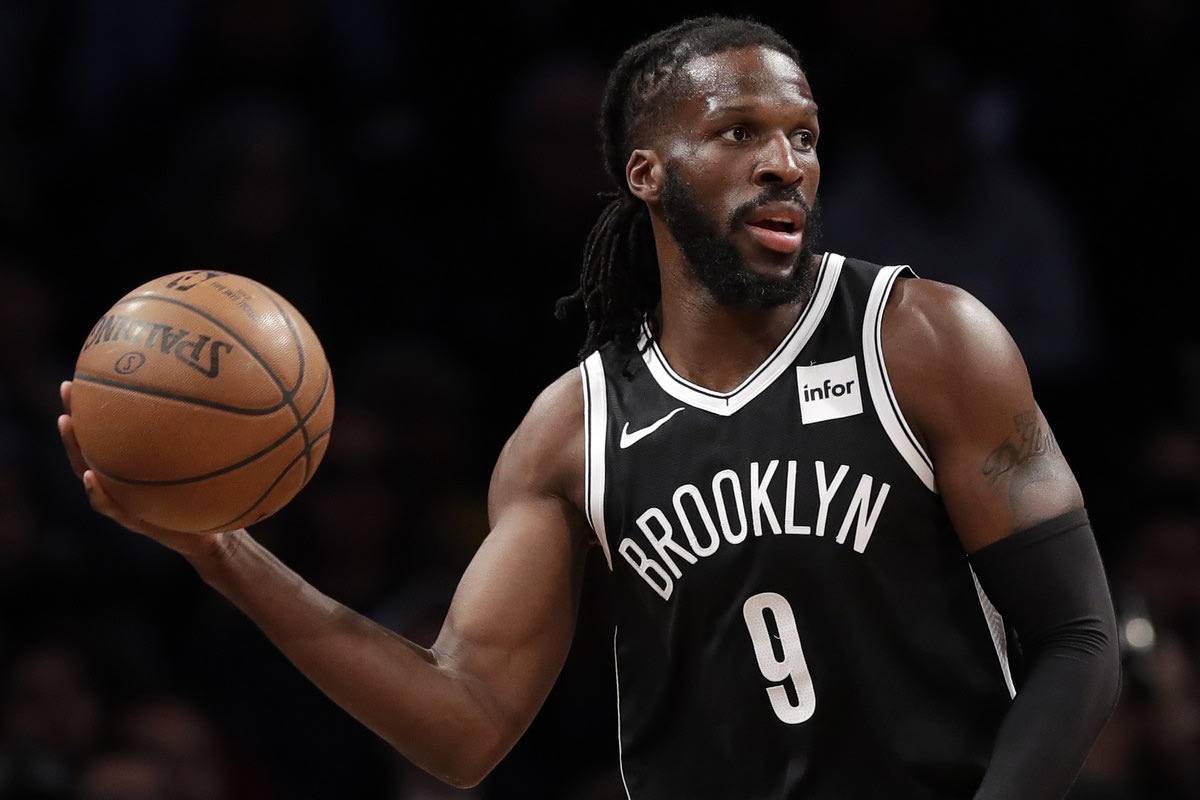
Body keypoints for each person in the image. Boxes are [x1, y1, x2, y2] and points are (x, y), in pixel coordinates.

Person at [58, 14, 1122, 799]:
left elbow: (1078, 636)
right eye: (739, 132)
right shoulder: (574, 432)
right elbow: (463, 726)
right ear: (647, 173)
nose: (784, 163)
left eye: (802, 134)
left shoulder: (924, 338)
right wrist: (228, 555)